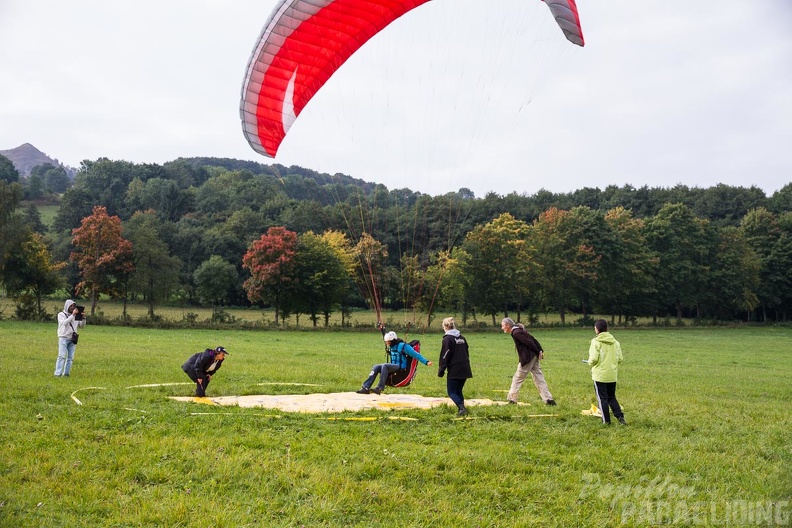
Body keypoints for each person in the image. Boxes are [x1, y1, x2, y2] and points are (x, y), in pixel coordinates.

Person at [501, 317, 556, 406]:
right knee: (539, 378)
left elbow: (529, 342)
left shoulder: (516, 332)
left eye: (502, 325)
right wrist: (539, 350)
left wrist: (538, 351)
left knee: (517, 378)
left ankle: (512, 400)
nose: (502, 328)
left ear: (508, 325)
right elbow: (533, 339)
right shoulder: (519, 330)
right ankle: (549, 400)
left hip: (528, 358)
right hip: (533, 357)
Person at [356, 331, 433, 395]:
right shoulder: (392, 346)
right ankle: (365, 388)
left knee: (385, 366)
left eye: (388, 342)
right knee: (376, 367)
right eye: (386, 342)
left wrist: (426, 362)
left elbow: (416, 355)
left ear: (393, 341)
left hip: (401, 367)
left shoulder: (404, 346)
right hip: (393, 365)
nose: (387, 344)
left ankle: (379, 388)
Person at [586, 319, 626, 425]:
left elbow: (593, 359)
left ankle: (606, 421)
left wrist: (589, 362)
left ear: (597, 329)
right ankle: (620, 417)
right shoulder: (615, 342)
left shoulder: (596, 342)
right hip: (612, 375)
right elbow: (620, 358)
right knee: (611, 397)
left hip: (599, 375)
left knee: (602, 398)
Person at [438, 317, 473, 416]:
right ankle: (461, 410)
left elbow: (445, 355)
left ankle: (462, 408)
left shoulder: (447, 339)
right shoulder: (462, 337)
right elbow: (466, 351)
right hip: (465, 367)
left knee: (451, 391)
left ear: (445, 327)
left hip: (455, 368)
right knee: (458, 390)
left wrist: (441, 370)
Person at [54, 300, 86, 377]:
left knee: (70, 357)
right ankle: (57, 373)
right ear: (67, 306)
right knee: (61, 356)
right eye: (71, 306)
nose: (73, 307)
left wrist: (84, 318)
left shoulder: (76, 315)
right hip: (63, 337)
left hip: (72, 338)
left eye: (74, 306)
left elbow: (82, 326)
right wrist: (72, 315)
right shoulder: (61, 314)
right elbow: (64, 323)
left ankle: (66, 373)